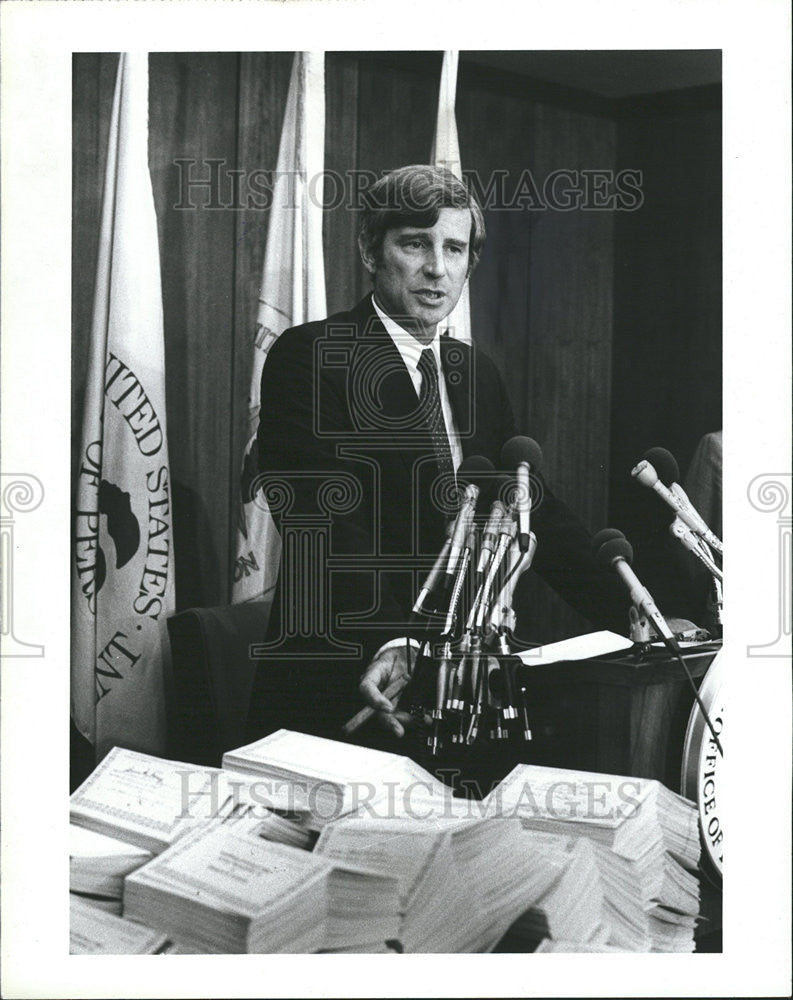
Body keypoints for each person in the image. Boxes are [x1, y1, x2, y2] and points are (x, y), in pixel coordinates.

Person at [246, 165, 628, 745]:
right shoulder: (311, 356)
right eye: (414, 244)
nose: (437, 268)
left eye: (454, 248)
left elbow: (529, 510)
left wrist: (632, 609)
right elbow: (318, 518)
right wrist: (394, 637)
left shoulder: (474, 373)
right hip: (351, 680)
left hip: (461, 690)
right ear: (370, 251)